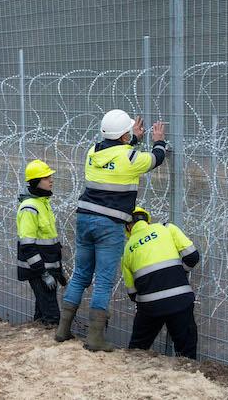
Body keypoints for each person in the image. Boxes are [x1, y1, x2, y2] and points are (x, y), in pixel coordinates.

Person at [57, 109, 166, 351]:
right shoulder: (130, 159)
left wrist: (132, 138)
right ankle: (95, 338)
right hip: (110, 224)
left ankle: (62, 329)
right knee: (104, 280)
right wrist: (159, 141)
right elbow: (155, 159)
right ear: (124, 136)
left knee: (81, 274)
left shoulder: (92, 153)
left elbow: (113, 155)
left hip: (85, 219)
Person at [120, 206, 200, 359]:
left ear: (128, 227)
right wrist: (178, 273)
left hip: (150, 307)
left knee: (136, 351)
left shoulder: (128, 249)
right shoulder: (167, 229)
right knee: (186, 354)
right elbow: (192, 256)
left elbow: (132, 292)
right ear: (147, 220)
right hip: (180, 300)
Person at [16, 159, 65, 327]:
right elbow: (27, 246)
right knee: (52, 316)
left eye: (50, 177)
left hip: (48, 269)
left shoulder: (43, 203)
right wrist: (43, 273)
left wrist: (57, 271)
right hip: (38, 270)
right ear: (36, 182)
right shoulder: (30, 208)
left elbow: (50, 242)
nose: (51, 180)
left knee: (42, 311)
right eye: (46, 178)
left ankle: (35, 341)